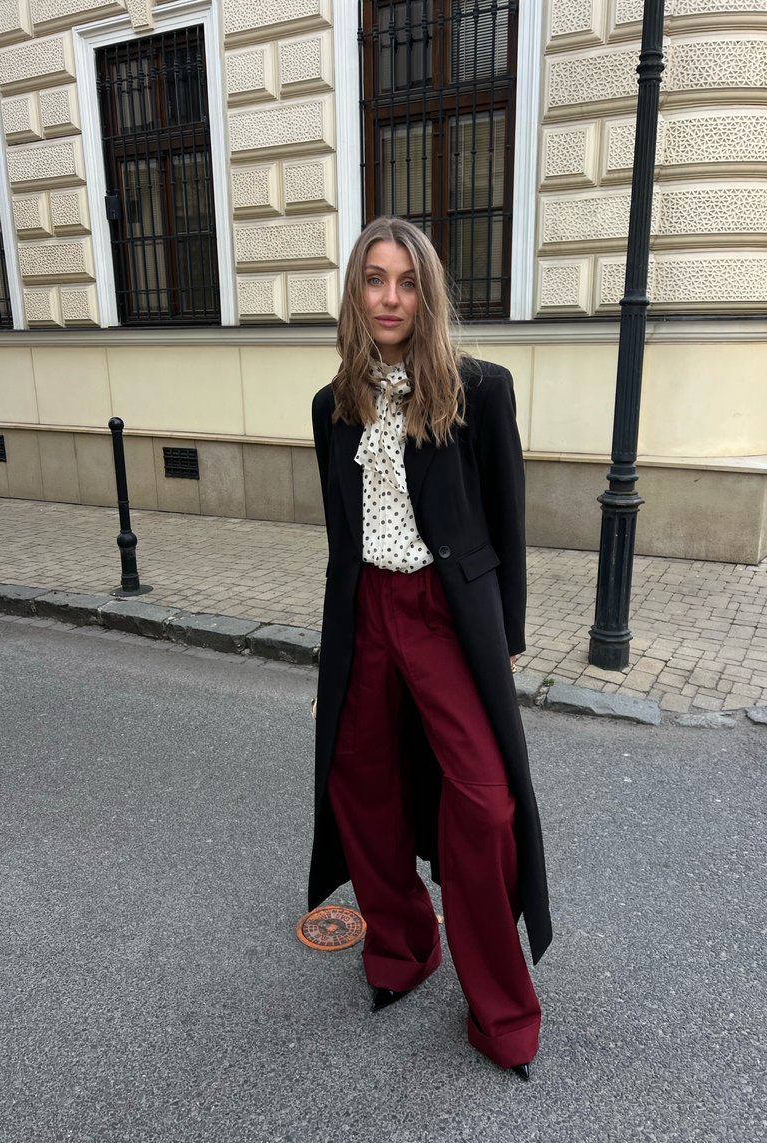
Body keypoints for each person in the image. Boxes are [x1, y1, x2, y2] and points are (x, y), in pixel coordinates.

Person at [308, 216, 552, 1080]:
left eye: (406, 282)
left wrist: (508, 637)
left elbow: (507, 524)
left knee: (485, 802)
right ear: (355, 291)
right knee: (358, 777)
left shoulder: (478, 391)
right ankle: (404, 949)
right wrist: (332, 663)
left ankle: (501, 1008)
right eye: (375, 279)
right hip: (368, 611)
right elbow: (342, 547)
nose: (389, 298)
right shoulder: (332, 405)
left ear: (428, 292)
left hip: (447, 617)